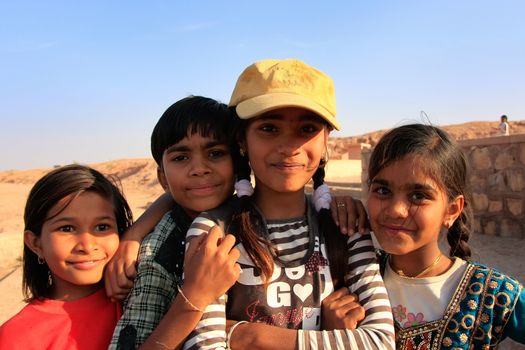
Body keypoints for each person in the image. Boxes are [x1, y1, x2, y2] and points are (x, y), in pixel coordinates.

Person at [183, 59, 395, 350]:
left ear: (325, 142)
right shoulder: (214, 231)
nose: (289, 147)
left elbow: (380, 342)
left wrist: (248, 337)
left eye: (307, 128)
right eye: (269, 128)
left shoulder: (347, 227)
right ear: (241, 140)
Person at [366, 123, 525, 349]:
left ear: (451, 210)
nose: (395, 210)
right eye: (383, 191)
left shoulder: (492, 293)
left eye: (418, 196)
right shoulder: (356, 274)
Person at [109, 96, 242, 349]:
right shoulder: (156, 254)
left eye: (215, 153)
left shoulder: (261, 221)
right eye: (181, 158)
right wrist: (194, 296)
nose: (199, 168)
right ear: (162, 177)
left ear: (239, 163)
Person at [0, 164, 133, 349]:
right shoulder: (17, 338)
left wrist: (134, 238)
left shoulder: (139, 294)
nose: (87, 246)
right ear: (36, 244)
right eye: (67, 229)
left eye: (102, 227)